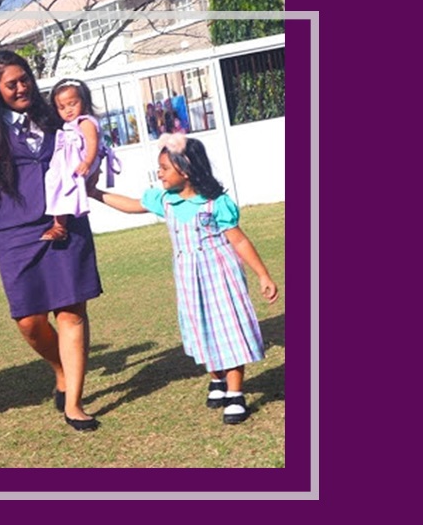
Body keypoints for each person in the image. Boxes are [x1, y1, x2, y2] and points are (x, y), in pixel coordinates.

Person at [0, 50, 103, 432]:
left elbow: (87, 145)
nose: (21, 88)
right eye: (11, 84)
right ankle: (60, 368)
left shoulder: (54, 117)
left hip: (64, 226)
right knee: (29, 321)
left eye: (25, 79)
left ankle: (75, 403)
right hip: (15, 235)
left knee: (70, 313)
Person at [87, 133, 279, 424]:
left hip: (221, 276)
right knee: (202, 329)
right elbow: (131, 204)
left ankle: (236, 393)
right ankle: (217, 379)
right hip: (190, 280)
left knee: (228, 329)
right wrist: (95, 193)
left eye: (165, 167)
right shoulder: (165, 200)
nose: (159, 172)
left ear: (186, 170)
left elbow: (239, 241)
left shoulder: (216, 204)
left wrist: (263, 275)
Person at [40, 78, 102, 242]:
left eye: (72, 104)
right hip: (69, 163)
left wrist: (88, 162)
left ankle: (59, 226)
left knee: (64, 187)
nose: (68, 110)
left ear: (83, 101)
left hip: (80, 162)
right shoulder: (70, 124)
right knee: (54, 181)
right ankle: (58, 223)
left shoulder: (85, 122)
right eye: (62, 107)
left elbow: (93, 143)